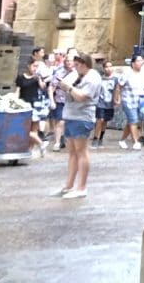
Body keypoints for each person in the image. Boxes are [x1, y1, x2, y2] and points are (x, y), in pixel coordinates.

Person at [51, 53, 102, 200]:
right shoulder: (76, 74)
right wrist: (66, 83)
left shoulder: (92, 78)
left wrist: (69, 88)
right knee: (72, 152)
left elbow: (81, 97)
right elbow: (63, 84)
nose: (75, 67)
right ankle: (68, 186)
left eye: (78, 64)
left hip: (82, 117)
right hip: (70, 115)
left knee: (81, 152)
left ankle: (82, 187)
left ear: (85, 64)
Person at [14, 59, 49, 155]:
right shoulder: (21, 78)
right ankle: (41, 144)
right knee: (24, 129)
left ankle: (30, 149)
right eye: (34, 66)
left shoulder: (37, 78)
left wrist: (40, 79)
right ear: (28, 65)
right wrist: (14, 100)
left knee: (33, 130)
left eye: (37, 67)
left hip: (35, 106)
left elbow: (43, 87)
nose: (35, 68)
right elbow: (17, 90)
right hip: (23, 105)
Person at [47, 50, 71, 151]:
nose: (69, 63)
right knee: (60, 121)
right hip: (60, 100)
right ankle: (57, 142)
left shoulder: (77, 73)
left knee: (69, 122)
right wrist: (52, 101)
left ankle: (63, 138)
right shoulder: (59, 73)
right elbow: (51, 87)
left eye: (71, 61)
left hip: (72, 101)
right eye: (67, 61)